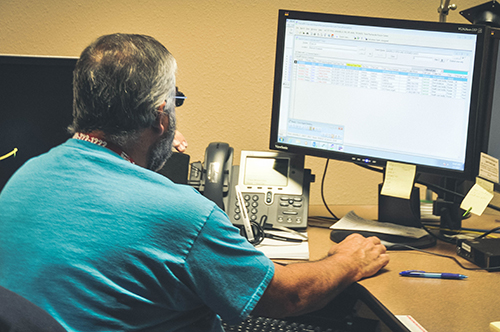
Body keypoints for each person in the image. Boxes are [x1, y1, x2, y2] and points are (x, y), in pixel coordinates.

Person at [0, 33, 389, 332]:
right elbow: (289, 296)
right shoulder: (182, 214)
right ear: (161, 118)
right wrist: (348, 261)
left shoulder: (26, 176)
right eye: (175, 101)